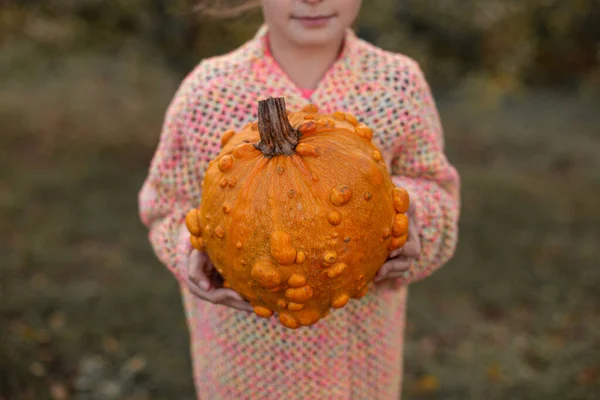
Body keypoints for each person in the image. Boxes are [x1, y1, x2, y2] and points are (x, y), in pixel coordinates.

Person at [138, 0, 461, 398]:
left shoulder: (396, 84)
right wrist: (187, 248)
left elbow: (434, 186)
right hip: (242, 365)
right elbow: (165, 204)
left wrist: (416, 219)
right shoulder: (208, 93)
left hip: (358, 365)